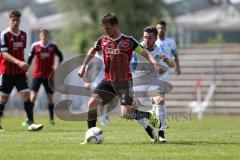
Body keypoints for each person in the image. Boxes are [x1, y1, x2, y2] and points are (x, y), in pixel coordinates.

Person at [78, 12, 164, 144]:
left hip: (124, 83)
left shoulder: (128, 41)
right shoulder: (103, 40)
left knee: (127, 114)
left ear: (115, 26)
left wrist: (155, 64)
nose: (105, 31)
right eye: (104, 28)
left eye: (107, 28)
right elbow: (92, 50)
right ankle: (89, 135)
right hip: (107, 80)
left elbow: (145, 54)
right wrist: (83, 66)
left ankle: (148, 115)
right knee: (92, 104)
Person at [0, 10, 43, 131]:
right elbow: (4, 54)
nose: (15, 22)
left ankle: (31, 123)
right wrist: (18, 62)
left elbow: (21, 53)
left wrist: (24, 66)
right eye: (13, 20)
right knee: (3, 98)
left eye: (17, 20)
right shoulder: (4, 35)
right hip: (6, 72)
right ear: (9, 21)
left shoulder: (23, 34)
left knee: (26, 95)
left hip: (19, 73)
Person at [132, 26, 174, 143]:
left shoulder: (160, 49)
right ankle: (149, 130)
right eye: (145, 37)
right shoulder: (137, 48)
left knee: (160, 100)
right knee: (130, 111)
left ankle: (161, 133)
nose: (146, 40)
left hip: (152, 81)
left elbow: (169, 63)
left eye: (150, 37)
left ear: (156, 38)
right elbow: (130, 65)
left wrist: (164, 66)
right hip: (137, 81)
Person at [25, 28, 63, 125]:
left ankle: (51, 120)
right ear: (40, 36)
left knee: (50, 98)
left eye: (46, 34)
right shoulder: (35, 46)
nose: (44, 36)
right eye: (42, 34)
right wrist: (26, 69)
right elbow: (30, 58)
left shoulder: (53, 46)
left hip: (49, 76)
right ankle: (29, 119)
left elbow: (60, 56)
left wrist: (57, 64)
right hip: (37, 75)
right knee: (32, 97)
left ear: (48, 35)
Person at [83, 51, 111, 126]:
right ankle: (102, 118)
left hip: (105, 82)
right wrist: (85, 82)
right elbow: (86, 70)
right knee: (97, 102)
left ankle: (104, 116)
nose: (99, 48)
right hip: (95, 83)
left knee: (104, 102)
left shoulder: (105, 55)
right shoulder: (93, 57)